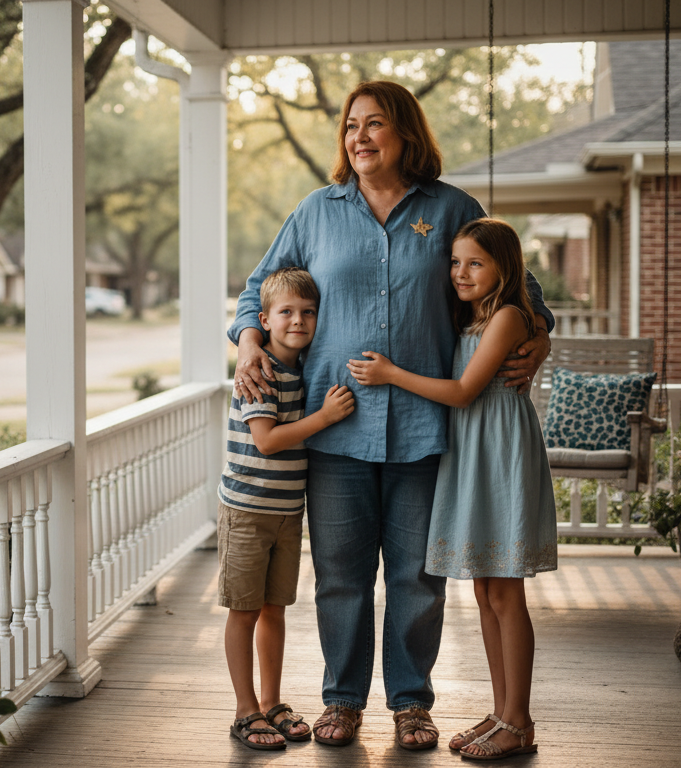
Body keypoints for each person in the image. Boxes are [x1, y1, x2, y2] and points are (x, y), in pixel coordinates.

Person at [229, 80, 554, 750]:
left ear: (406, 132)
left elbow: (516, 281)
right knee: (342, 577)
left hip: (424, 429)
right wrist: (250, 342)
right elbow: (255, 294)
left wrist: (540, 334)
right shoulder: (316, 212)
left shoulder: (452, 207)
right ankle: (343, 701)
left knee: (417, 578)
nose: (360, 137)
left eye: (374, 124)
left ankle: (411, 703)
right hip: (336, 427)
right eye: (351, 126)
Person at [347, 218, 554, 760]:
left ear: (504, 269)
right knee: (486, 592)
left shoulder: (509, 316)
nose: (461, 273)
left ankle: (520, 720)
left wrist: (391, 374)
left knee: (506, 593)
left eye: (475, 263)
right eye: (456, 262)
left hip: (499, 457)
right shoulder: (474, 315)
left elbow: (463, 392)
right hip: (474, 455)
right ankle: (501, 711)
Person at [219, 267, 356, 751]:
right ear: (264, 319)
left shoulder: (303, 370)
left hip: (286, 512)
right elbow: (268, 440)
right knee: (244, 611)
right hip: (248, 511)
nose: (298, 320)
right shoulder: (258, 372)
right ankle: (244, 709)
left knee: (274, 609)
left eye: (308, 312)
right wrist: (325, 417)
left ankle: (272, 703)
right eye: (286, 312)